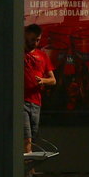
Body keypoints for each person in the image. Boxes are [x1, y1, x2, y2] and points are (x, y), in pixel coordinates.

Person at [23, 23, 55, 154]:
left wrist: (43, 80)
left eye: (37, 40)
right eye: (32, 40)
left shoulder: (42, 56)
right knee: (27, 139)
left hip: (36, 102)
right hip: (22, 102)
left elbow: (53, 80)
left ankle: (30, 169)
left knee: (33, 139)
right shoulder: (20, 53)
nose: (35, 43)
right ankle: (28, 173)